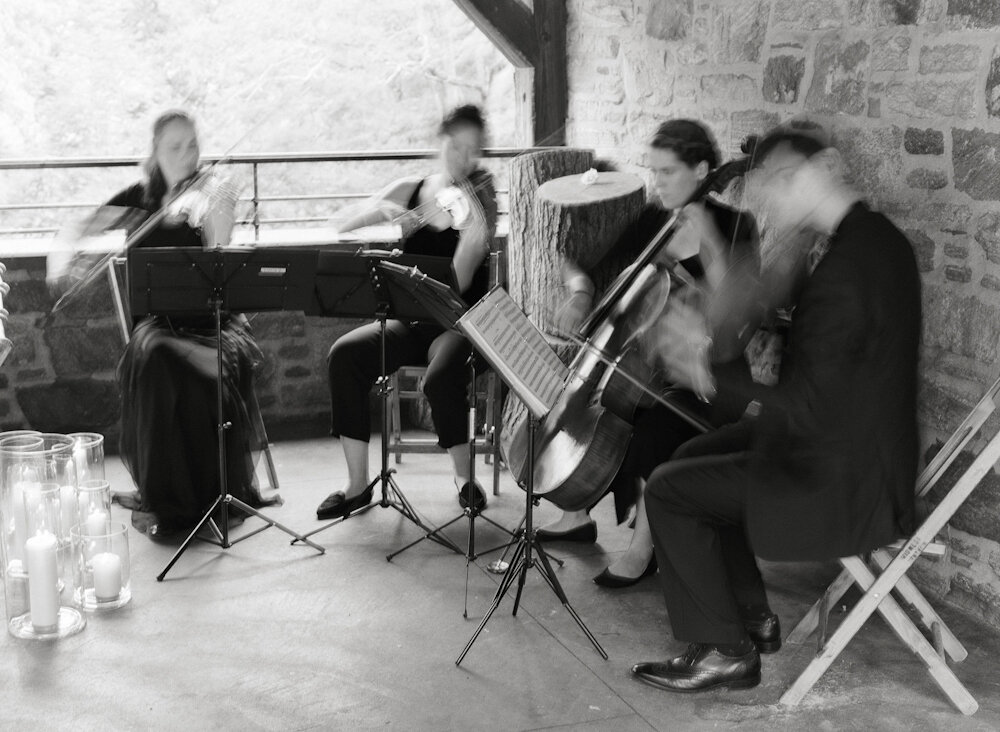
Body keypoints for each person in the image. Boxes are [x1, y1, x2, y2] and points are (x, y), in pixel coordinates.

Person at [631, 125, 921, 692]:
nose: (772, 202)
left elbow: (802, 409)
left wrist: (707, 375)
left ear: (823, 170)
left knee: (670, 490)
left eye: (780, 185)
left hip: (840, 476)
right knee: (694, 452)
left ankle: (724, 650)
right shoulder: (872, 237)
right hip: (856, 444)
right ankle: (752, 617)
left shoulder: (846, 273)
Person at [536, 119, 759, 588]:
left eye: (667, 172)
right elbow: (584, 265)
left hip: (711, 374)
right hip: (651, 367)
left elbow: (736, 320)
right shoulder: (655, 220)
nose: (656, 183)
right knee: (599, 408)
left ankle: (643, 549)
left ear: (702, 170)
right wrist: (579, 294)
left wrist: (710, 248)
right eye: (653, 171)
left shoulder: (738, 227)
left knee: (652, 427)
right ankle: (576, 513)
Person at [99, 109, 276, 539]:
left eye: (193, 145)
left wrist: (222, 208)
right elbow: (87, 224)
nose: (186, 154)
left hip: (212, 322)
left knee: (201, 359)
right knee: (158, 356)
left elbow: (219, 255)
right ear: (155, 151)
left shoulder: (209, 193)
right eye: (174, 146)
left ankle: (209, 492)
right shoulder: (139, 197)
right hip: (157, 325)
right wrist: (64, 254)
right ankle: (170, 497)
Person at [317, 104, 498, 521]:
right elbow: (340, 225)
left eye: (473, 150)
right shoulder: (412, 188)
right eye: (456, 146)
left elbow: (461, 279)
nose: (464, 158)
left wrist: (471, 234)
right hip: (410, 321)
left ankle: (464, 479)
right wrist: (380, 212)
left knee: (441, 376)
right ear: (441, 142)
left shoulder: (480, 201)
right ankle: (357, 484)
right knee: (345, 355)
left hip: (459, 324)